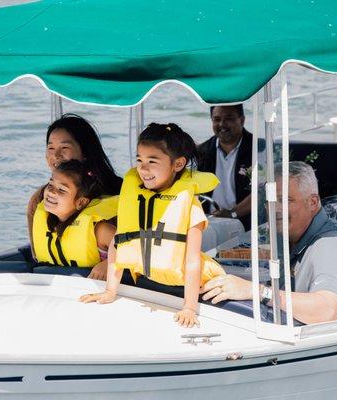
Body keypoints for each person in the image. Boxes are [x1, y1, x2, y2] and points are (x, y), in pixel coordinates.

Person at [79, 123, 226, 327]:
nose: (143, 168)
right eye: (139, 160)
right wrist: (110, 291)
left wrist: (190, 308)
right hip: (151, 285)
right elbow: (118, 244)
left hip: (191, 287)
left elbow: (193, 261)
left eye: (152, 161)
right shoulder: (135, 198)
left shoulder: (189, 206)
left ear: (178, 164)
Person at [202, 161, 337, 324]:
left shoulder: (332, 245)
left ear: (313, 202)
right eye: (270, 200)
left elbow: (326, 310)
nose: (275, 208)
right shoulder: (283, 232)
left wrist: (257, 291)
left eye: (286, 200)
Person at [27, 114, 122, 253]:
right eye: (51, 148)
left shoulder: (118, 193)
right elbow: (37, 252)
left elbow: (130, 249)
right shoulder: (39, 199)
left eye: (64, 147)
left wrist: (107, 265)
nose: (56, 155)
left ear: (85, 152)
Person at [32, 160, 117, 280]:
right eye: (50, 185)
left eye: (61, 190)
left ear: (81, 202)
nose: (51, 191)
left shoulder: (100, 230)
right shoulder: (48, 224)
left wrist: (108, 264)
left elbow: (133, 250)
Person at [196, 105, 264, 228]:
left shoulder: (260, 149)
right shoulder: (201, 151)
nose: (222, 124)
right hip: (208, 221)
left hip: (247, 224)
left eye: (228, 119)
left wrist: (232, 213)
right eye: (216, 119)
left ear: (241, 120)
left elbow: (262, 193)